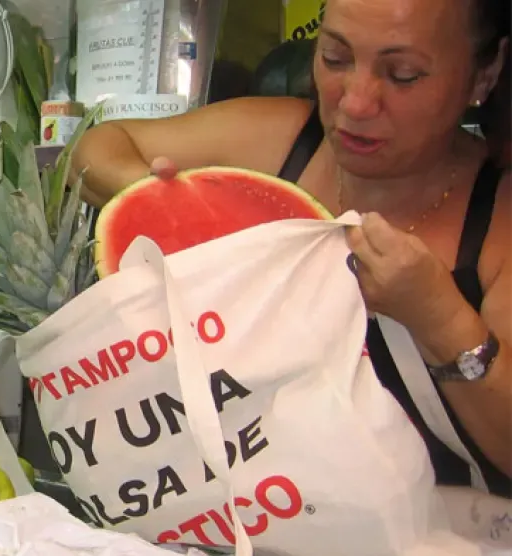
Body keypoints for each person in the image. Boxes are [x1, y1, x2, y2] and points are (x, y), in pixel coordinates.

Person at [73, 0, 511, 498]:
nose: (356, 103)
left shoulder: (498, 224)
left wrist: (439, 317)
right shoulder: (280, 140)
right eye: (335, 59)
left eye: (403, 75)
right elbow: (100, 145)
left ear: (485, 73)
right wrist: (164, 201)